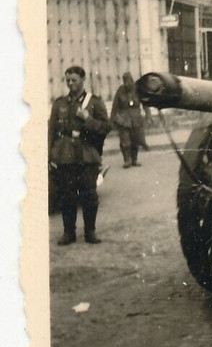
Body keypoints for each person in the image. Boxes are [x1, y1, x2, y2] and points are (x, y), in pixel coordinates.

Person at [48, 65, 110, 245]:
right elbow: (51, 130)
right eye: (67, 80)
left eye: (74, 80)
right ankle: (69, 233)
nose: (70, 83)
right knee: (67, 196)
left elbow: (106, 127)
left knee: (89, 195)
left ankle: (90, 232)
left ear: (83, 80)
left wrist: (87, 119)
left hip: (87, 155)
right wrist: (49, 155)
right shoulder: (59, 103)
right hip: (65, 155)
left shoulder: (94, 102)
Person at [111, 71, 148, 168]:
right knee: (125, 141)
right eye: (125, 81)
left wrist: (148, 115)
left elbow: (145, 103)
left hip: (136, 118)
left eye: (129, 81)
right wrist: (112, 120)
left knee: (135, 140)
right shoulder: (120, 90)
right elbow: (114, 106)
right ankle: (127, 160)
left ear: (132, 80)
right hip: (123, 119)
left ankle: (134, 160)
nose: (127, 83)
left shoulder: (138, 90)